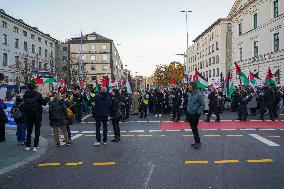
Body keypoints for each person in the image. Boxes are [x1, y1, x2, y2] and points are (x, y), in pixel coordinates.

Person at [24, 83, 48, 152]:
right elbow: (44, 103)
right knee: (37, 130)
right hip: (37, 114)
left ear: (28, 88)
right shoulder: (38, 94)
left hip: (28, 114)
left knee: (29, 130)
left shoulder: (25, 95)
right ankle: (35, 146)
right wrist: (47, 98)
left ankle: (28, 145)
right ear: (34, 88)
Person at [187, 82, 204, 149]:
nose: (188, 86)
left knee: (194, 128)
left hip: (195, 114)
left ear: (193, 87)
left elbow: (202, 105)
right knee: (192, 128)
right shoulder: (190, 94)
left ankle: (198, 142)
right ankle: (196, 140)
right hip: (190, 114)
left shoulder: (199, 94)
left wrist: (198, 113)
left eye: (189, 85)